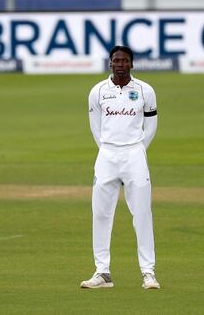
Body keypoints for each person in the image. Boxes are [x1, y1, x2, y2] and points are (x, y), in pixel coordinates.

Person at [81, 45, 160, 290]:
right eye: (116, 60)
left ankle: (148, 273)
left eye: (125, 61)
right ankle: (102, 272)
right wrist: (109, 148)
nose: (120, 65)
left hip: (135, 154)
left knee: (142, 214)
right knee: (101, 214)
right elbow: (96, 126)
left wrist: (135, 150)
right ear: (110, 63)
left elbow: (151, 127)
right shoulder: (98, 91)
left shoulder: (145, 90)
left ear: (132, 64)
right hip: (106, 155)